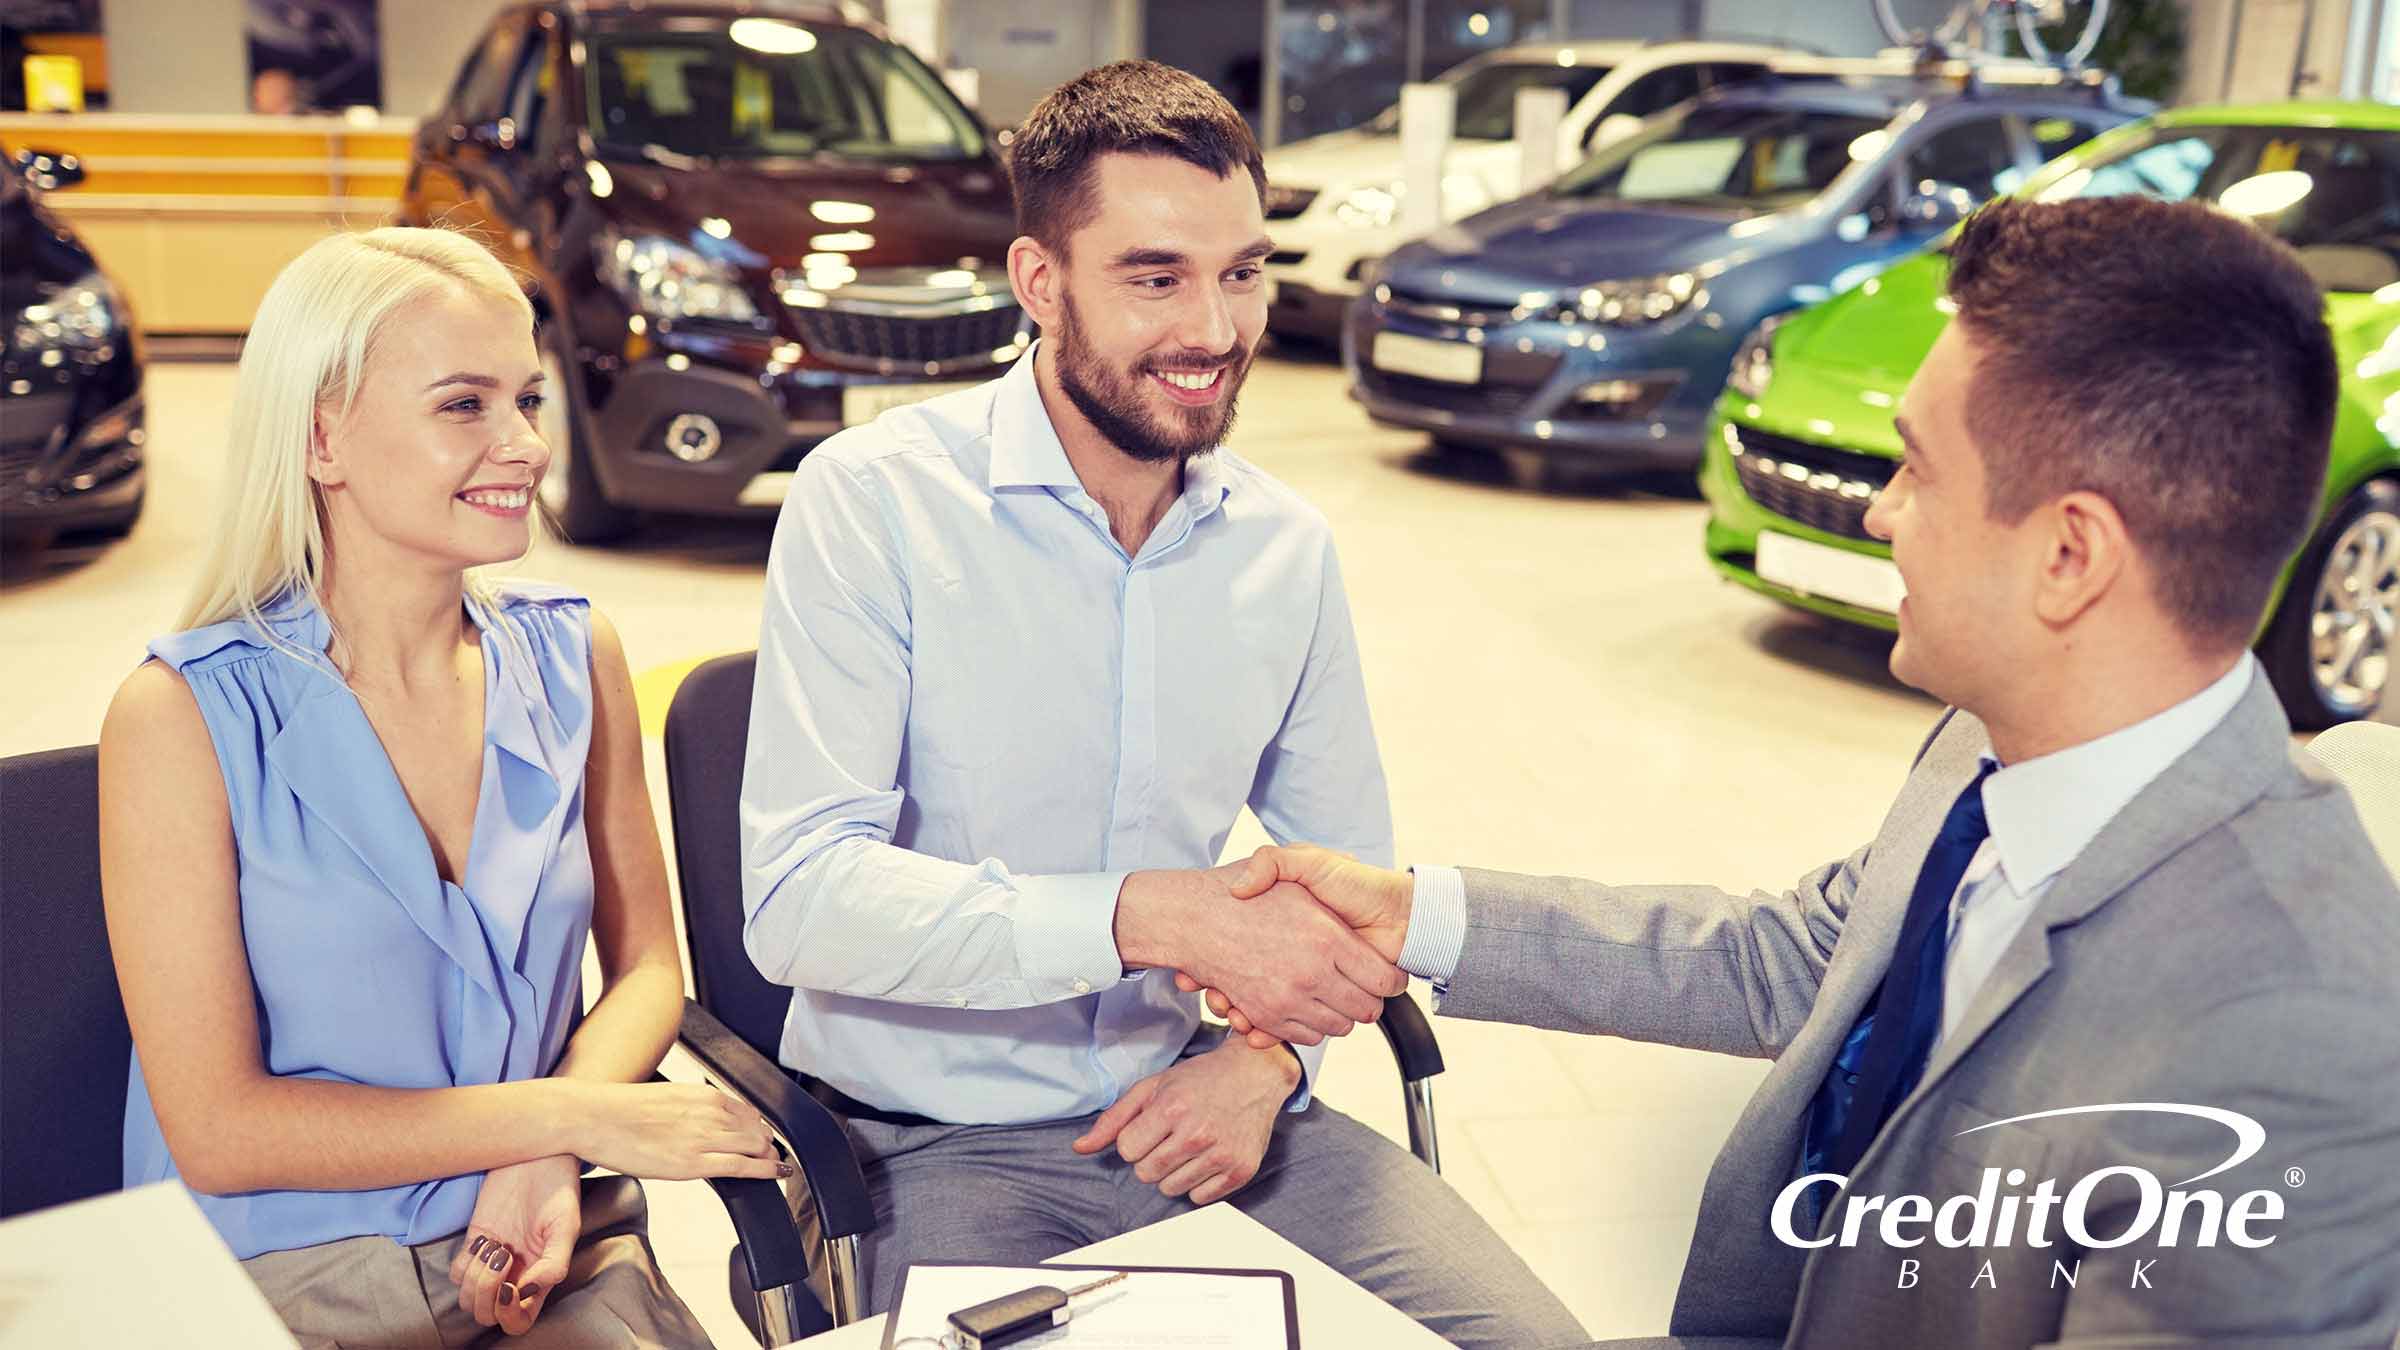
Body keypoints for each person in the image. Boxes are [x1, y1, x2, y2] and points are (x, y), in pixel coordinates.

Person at [1198, 197, 2400, 1347]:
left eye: (1917, 471)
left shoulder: (2296, 1041)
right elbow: (1801, 960)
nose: (1880, 514)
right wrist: (1414, 916)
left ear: (2070, 556)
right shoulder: (2001, 740)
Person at [739, 60, 1584, 1347]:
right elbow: (800, 901)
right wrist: (1146, 915)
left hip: (1209, 1113)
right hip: (933, 1148)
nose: (1215, 328)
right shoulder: (874, 505)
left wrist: (1265, 1064)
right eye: (1156, 278)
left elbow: (1350, 875)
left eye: (1242, 273)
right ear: (1040, 282)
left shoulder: (1284, 549)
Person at [99, 227, 783, 1348]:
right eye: (464, 405)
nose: (525, 445)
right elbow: (221, 1131)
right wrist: (569, 1118)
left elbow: (648, 970)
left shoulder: (575, 657)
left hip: (542, 1240)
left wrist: (544, 1157)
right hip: (282, 1278)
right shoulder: (179, 719)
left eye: (527, 399)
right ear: (321, 437)